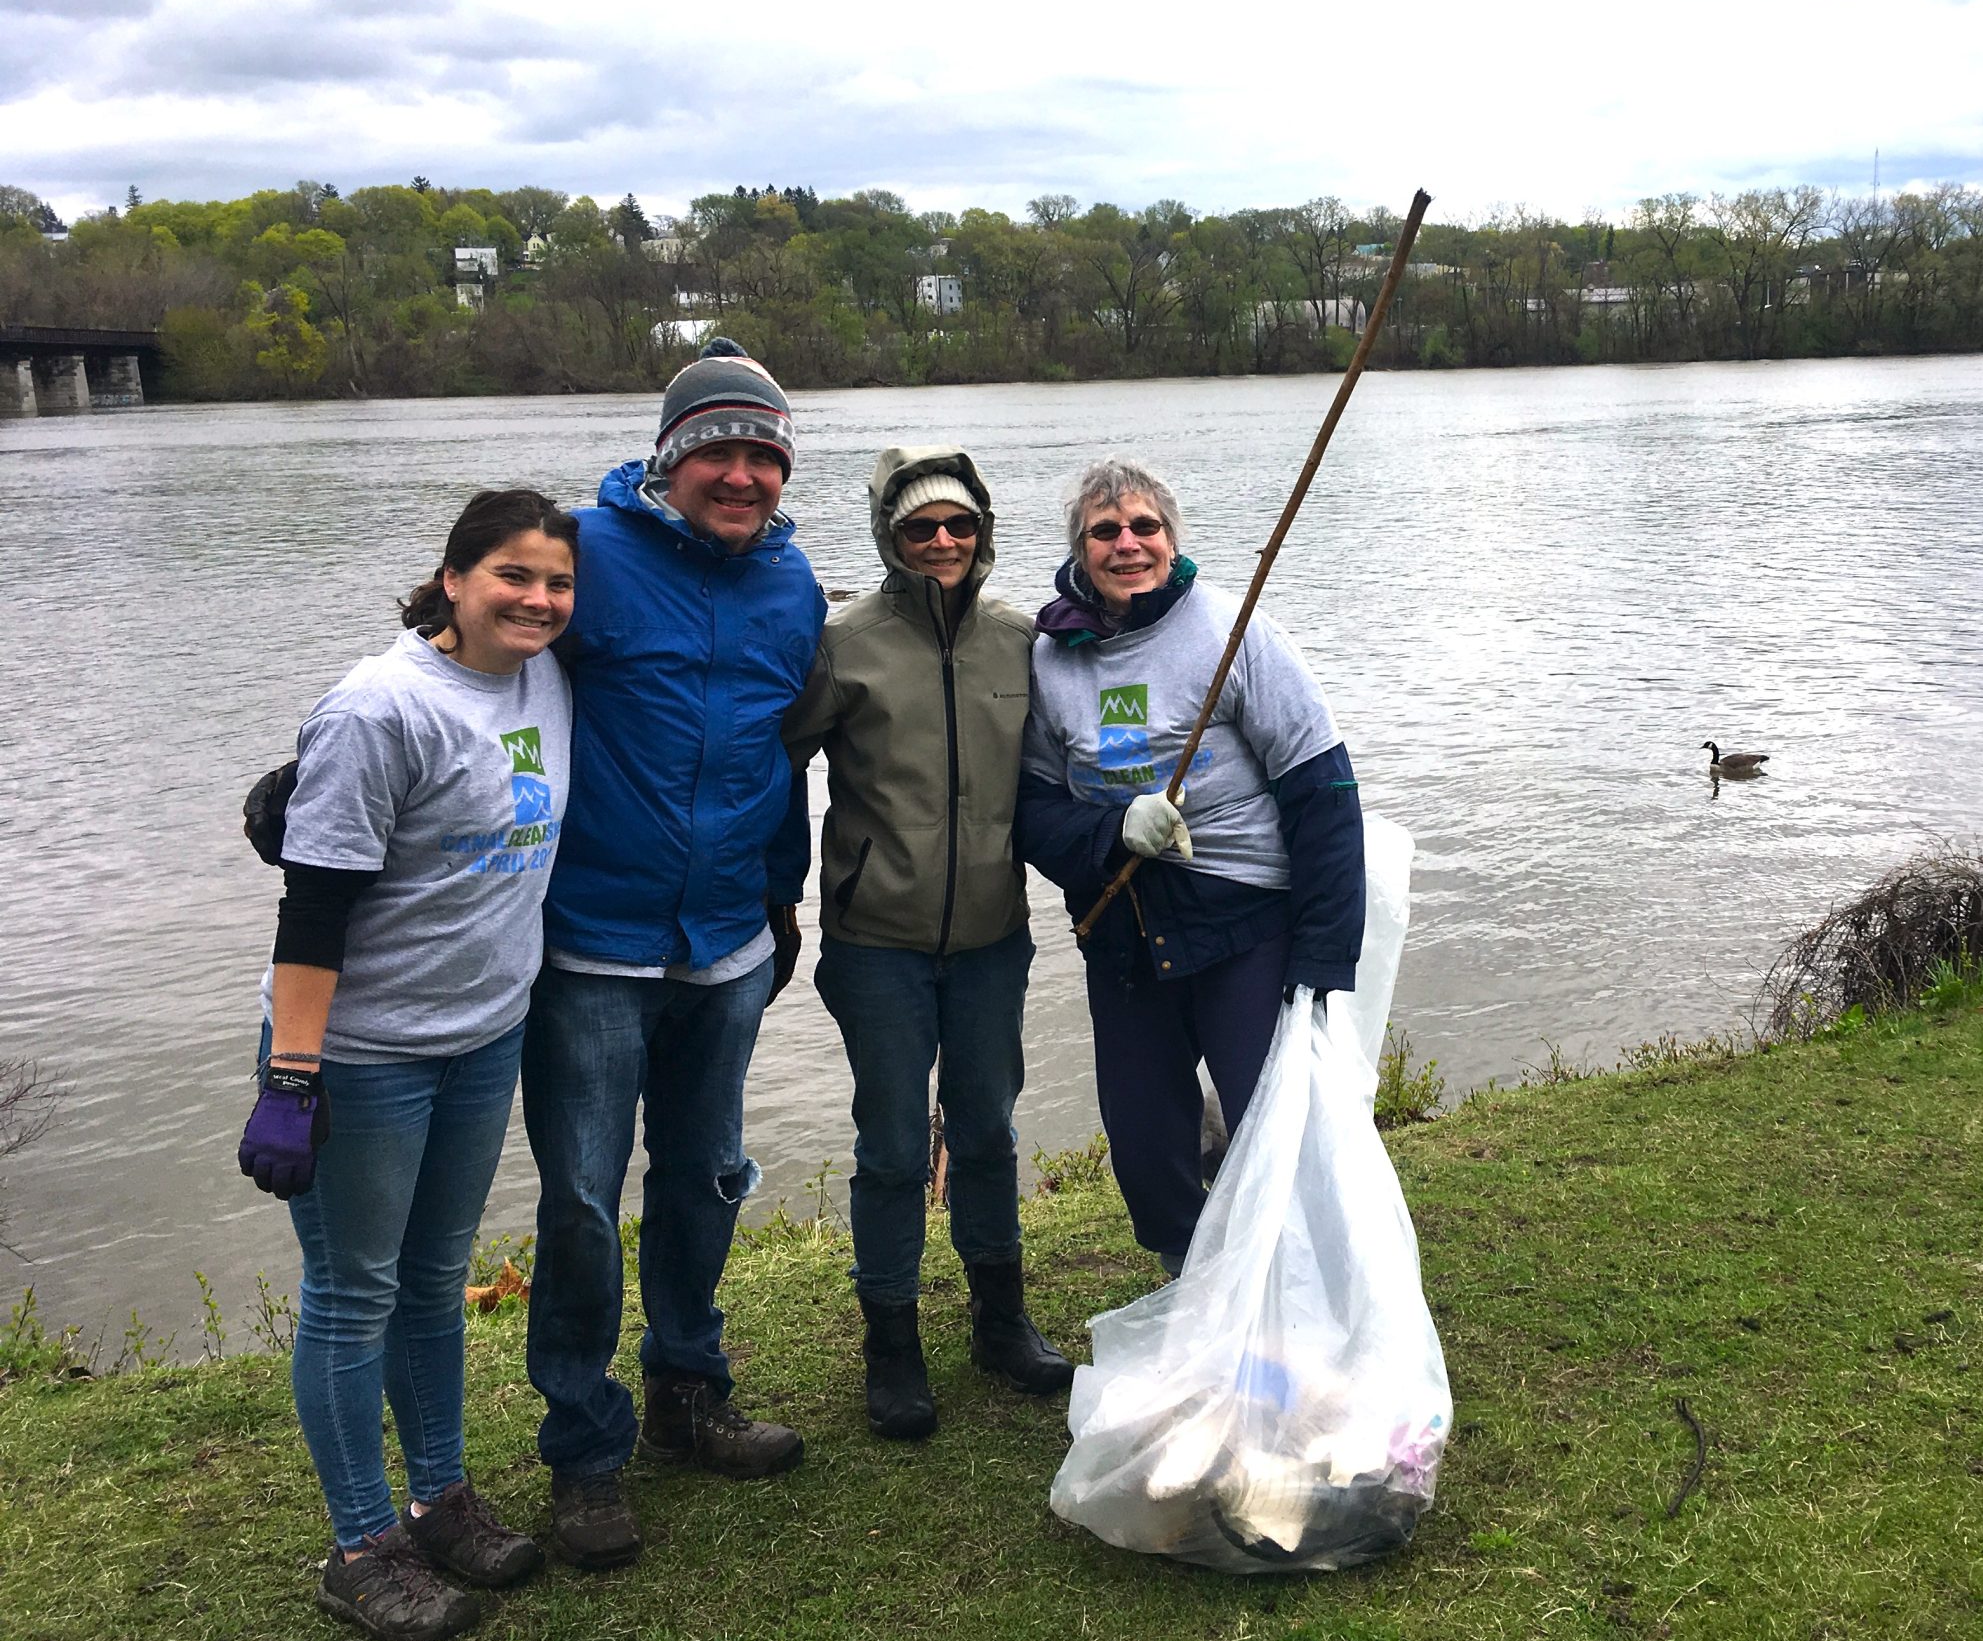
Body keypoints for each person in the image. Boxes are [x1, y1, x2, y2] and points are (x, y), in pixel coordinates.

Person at [237, 488, 578, 1641]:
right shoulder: (380, 708)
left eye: (556, 582)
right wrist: (293, 1079)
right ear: (452, 579)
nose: (536, 600)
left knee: (434, 1285)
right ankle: (360, 1543)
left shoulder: (545, 679)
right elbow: (313, 907)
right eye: (512, 578)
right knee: (351, 1296)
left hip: (482, 1039)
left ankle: (439, 1500)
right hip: (363, 1056)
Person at [520, 340, 825, 1571]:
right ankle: (585, 1451)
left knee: (706, 1174)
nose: (741, 474)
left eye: (764, 454)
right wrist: (324, 778)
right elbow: (472, 655)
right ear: (670, 459)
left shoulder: (795, 584)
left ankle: (687, 1391)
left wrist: (785, 906)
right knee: (584, 1203)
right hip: (591, 942)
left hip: (727, 942)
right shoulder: (583, 559)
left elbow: (785, 756)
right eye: (719, 451)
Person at [784, 448, 1074, 1441]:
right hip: (876, 942)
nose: (943, 542)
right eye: (921, 528)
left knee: (987, 1130)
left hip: (995, 937)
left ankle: (1002, 1318)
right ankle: (892, 1339)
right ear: (890, 539)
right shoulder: (841, 644)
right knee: (896, 1146)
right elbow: (767, 762)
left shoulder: (1024, 641)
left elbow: (1089, 750)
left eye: (958, 525)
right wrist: (770, 900)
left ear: (982, 530)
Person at [1015, 457, 1365, 1275]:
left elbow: (1324, 789)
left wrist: (1322, 957)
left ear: (1173, 540)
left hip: (1242, 922)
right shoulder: (1049, 659)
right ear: (1080, 550)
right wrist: (1108, 834)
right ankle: (1194, 1279)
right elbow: (1031, 812)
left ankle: (1300, 1292)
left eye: (1146, 527)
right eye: (1106, 531)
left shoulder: (1232, 630)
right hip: (1123, 931)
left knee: (1270, 1129)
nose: (1128, 543)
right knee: (1145, 1146)